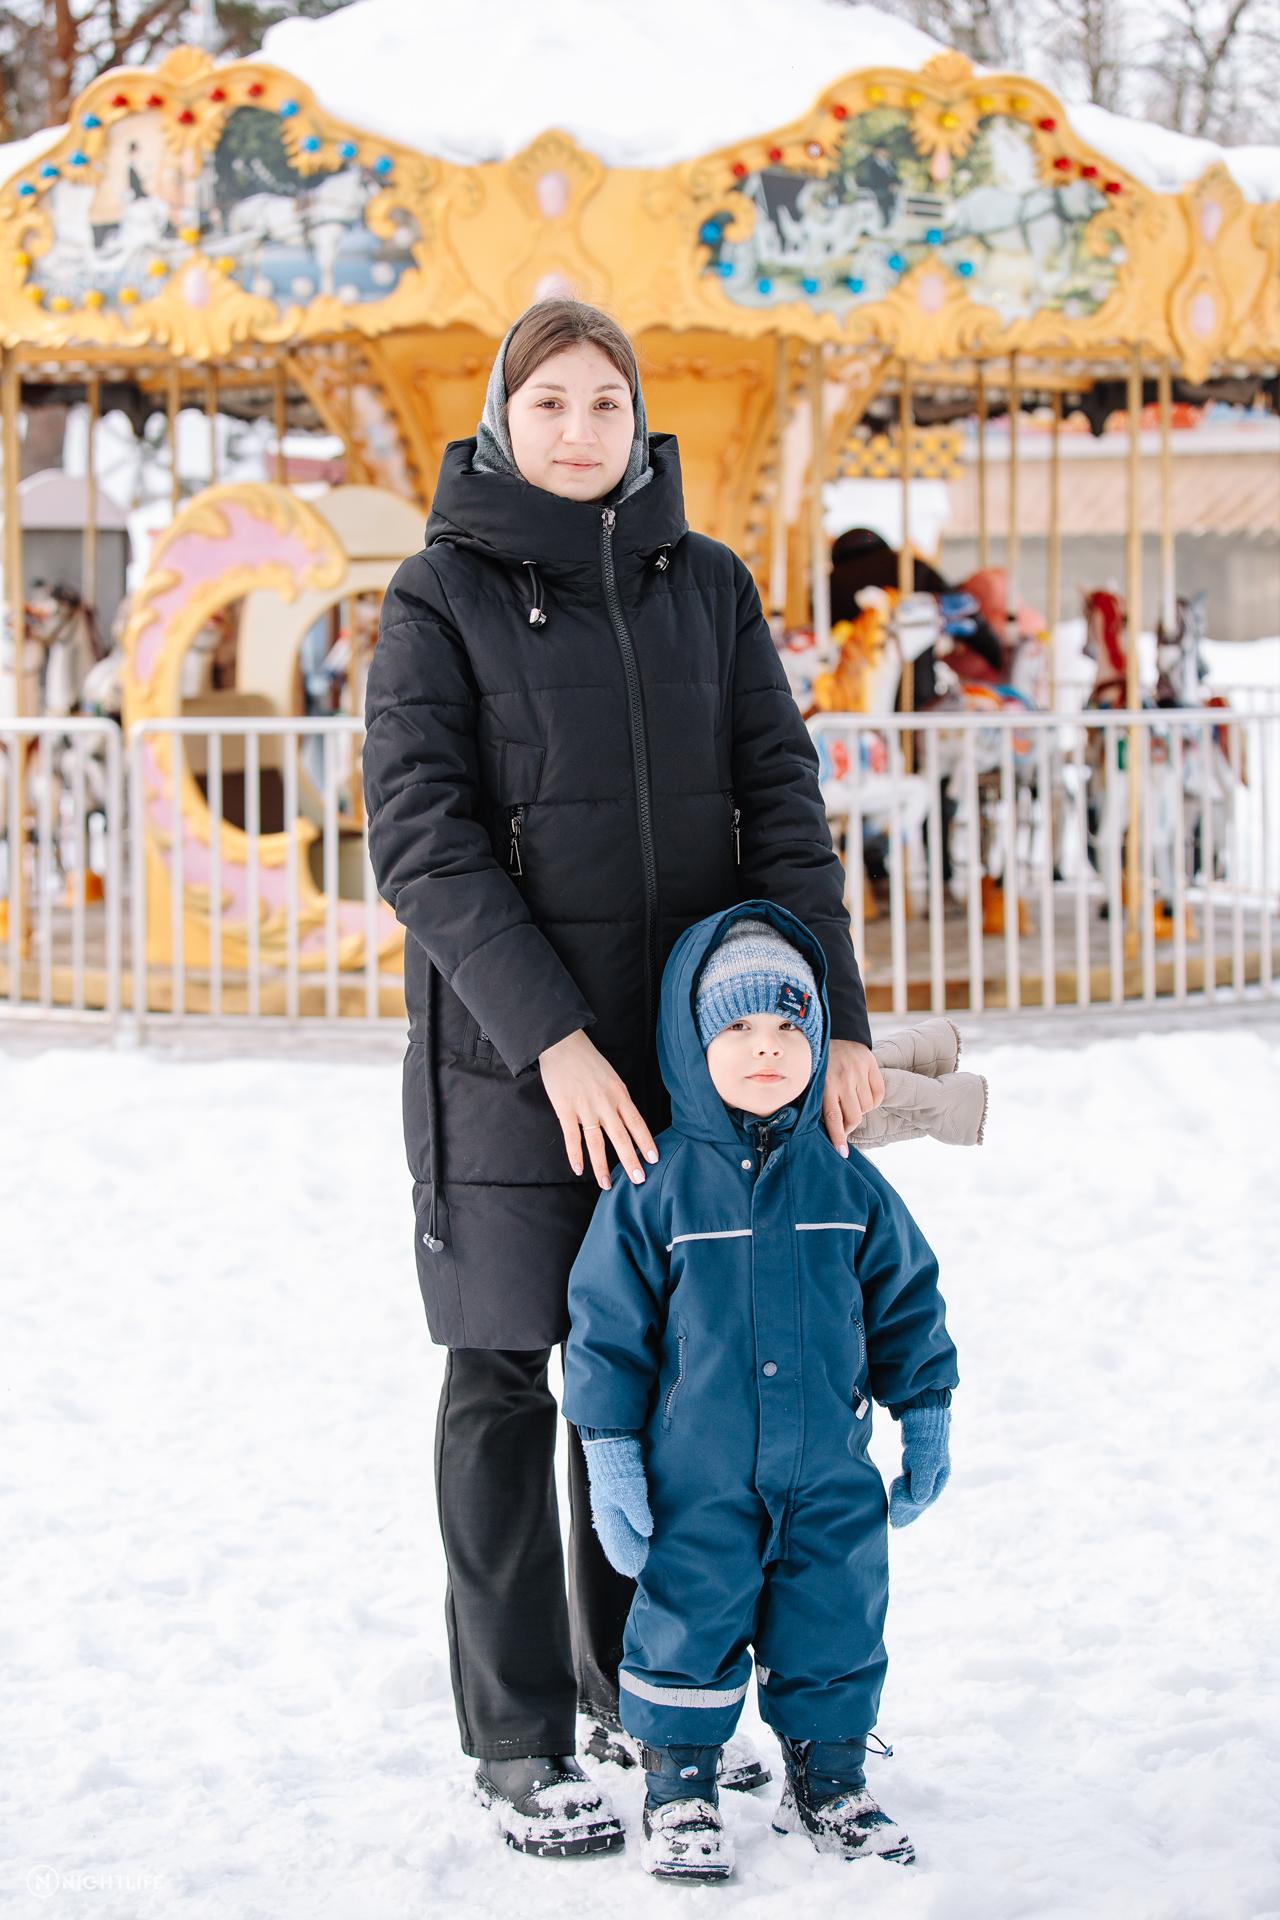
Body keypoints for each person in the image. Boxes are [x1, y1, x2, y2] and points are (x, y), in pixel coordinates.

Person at [362, 297, 885, 1857]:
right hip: (509, 1062)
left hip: (682, 1060)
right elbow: (423, 839)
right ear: (502, 421)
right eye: (550, 404)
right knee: (508, 1374)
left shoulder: (706, 587)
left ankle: (629, 1688)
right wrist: (553, 1037)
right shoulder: (439, 596)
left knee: (657, 1379)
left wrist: (840, 1019)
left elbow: (782, 811)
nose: (580, 430)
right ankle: (518, 1734)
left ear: (636, 416)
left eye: (604, 402)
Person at [562, 899, 958, 1881]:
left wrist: (925, 1413)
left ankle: (829, 1779)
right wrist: (610, 1455)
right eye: (736, 1025)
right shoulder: (653, 1186)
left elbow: (906, 1299)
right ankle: (679, 1787)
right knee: (685, 1624)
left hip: (828, 1471)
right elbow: (605, 1333)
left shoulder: (845, 1180)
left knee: (836, 1615)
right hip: (698, 1479)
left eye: (788, 1022)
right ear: (691, 1042)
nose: (766, 1046)